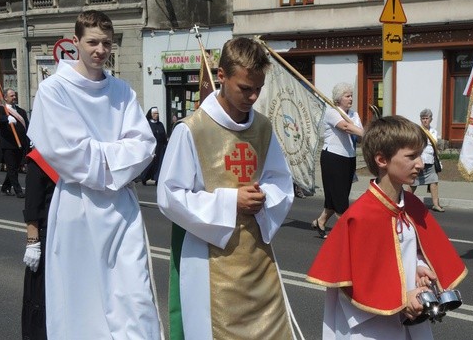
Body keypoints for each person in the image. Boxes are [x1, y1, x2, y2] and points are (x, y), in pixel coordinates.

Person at [27, 10, 161, 339]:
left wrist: (100, 153)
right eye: (92, 42)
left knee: (133, 295)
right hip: (76, 207)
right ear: (76, 42)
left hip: (120, 209)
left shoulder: (122, 91)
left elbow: (144, 145)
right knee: (81, 300)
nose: (100, 50)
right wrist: (118, 155)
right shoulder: (54, 90)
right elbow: (68, 153)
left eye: (106, 43)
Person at [157, 37, 298, 339]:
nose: (253, 96)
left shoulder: (262, 127)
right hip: (210, 260)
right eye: (245, 88)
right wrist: (230, 201)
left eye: (258, 88)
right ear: (221, 75)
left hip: (257, 257)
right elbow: (169, 195)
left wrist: (265, 197)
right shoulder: (191, 129)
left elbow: (280, 181)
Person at [307, 115, 468, 340]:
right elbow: (349, 283)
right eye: (412, 157)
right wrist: (402, 299)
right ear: (382, 160)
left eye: (420, 155)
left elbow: (410, 250)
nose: (420, 164)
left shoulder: (412, 205)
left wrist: (419, 266)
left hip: (412, 318)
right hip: (371, 328)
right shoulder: (360, 217)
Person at [312, 82, 363, 238]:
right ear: (338, 99)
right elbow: (346, 128)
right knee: (340, 199)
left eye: (351, 95)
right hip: (333, 158)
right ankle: (346, 234)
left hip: (349, 158)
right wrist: (368, 133)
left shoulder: (354, 115)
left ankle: (320, 222)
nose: (350, 98)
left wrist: (361, 132)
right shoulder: (332, 112)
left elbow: (358, 136)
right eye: (347, 96)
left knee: (337, 195)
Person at [21, 149, 58, 340]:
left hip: (68, 240)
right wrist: (32, 241)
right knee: (40, 300)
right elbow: (33, 203)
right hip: (46, 239)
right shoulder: (40, 156)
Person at [410, 108, 444, 212]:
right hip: (420, 161)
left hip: (430, 161)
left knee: (434, 182)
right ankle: (405, 202)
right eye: (423, 118)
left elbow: (434, 148)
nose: (425, 120)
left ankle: (435, 204)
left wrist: (438, 160)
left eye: (426, 118)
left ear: (431, 119)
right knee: (413, 184)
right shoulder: (417, 131)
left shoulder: (434, 131)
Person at [0, 88, 29, 198]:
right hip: (8, 145)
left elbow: (27, 126)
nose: (14, 97)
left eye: (15, 95)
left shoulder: (21, 111)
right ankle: (18, 191)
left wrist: (30, 140)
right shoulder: (1, 109)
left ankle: (5, 187)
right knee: (12, 168)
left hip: (20, 144)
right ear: (5, 98)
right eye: (11, 96)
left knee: (14, 167)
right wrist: (7, 118)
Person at [140, 106, 167, 185]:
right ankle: (144, 177)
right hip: (151, 147)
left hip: (160, 147)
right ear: (151, 114)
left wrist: (165, 144)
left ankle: (157, 178)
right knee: (150, 163)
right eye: (155, 113)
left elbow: (164, 135)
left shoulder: (160, 124)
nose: (157, 115)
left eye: (157, 113)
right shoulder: (147, 124)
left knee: (159, 163)